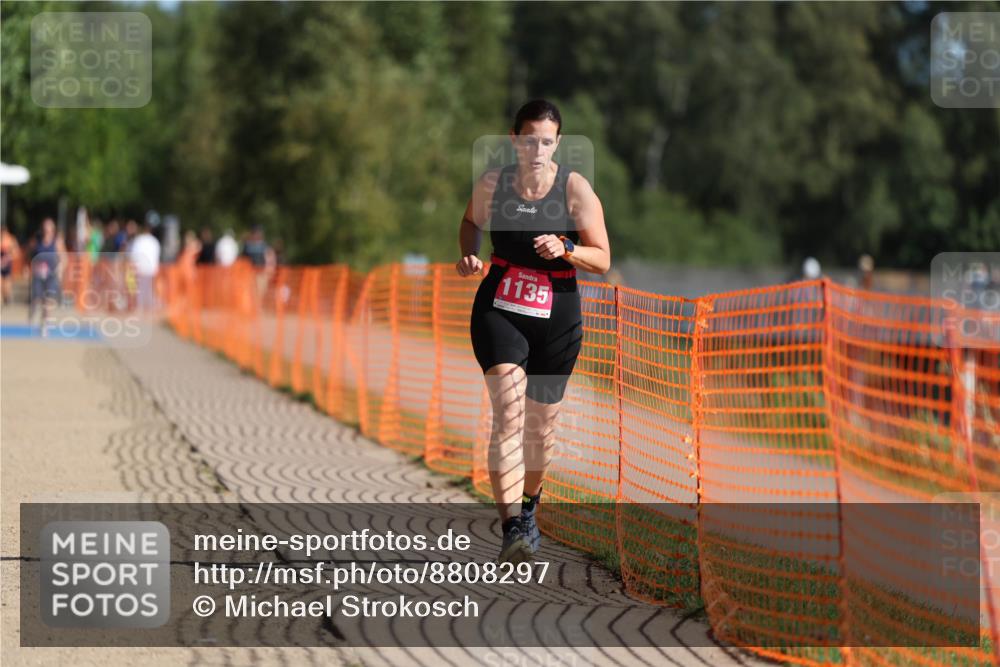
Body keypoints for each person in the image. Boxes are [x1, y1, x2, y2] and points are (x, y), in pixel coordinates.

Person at [457, 99, 611, 564]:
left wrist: (566, 247)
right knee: (508, 415)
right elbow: (469, 223)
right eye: (529, 140)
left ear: (557, 143)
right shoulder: (494, 183)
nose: (537, 149)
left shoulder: (574, 189)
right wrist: (469, 253)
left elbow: (602, 259)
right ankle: (511, 530)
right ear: (514, 140)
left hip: (558, 316)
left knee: (540, 432)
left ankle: (528, 509)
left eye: (547, 141)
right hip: (500, 309)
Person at [28, 218, 66, 330]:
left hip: (51, 275)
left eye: (49, 228)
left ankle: (44, 324)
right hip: (38, 275)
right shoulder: (37, 240)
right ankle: (33, 312)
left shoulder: (57, 241)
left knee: (48, 300)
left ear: (53, 229)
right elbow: (30, 254)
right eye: (45, 227)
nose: (47, 230)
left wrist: (60, 268)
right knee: (37, 299)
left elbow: (64, 257)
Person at [127, 220, 161, 312]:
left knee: (140, 290)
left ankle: (140, 308)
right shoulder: (154, 241)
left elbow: (134, 255)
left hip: (141, 269)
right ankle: (146, 308)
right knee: (148, 290)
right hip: (150, 270)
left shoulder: (139, 240)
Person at [1, 225, 21, 305]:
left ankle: (7, 297)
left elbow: (16, 252)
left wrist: (8, 258)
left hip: (7, 264)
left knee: (7, 284)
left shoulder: (11, 239)